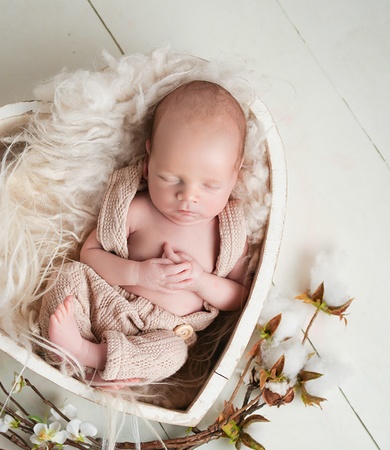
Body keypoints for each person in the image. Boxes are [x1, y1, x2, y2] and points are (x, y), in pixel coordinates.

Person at [39, 80, 250, 386]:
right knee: (68, 275)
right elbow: (90, 255)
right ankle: (70, 349)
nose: (188, 196)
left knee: (174, 354)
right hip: (107, 299)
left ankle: (90, 356)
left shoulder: (228, 233)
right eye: (170, 178)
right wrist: (138, 274)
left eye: (210, 185)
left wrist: (201, 281)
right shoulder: (137, 209)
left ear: (236, 173)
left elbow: (238, 296)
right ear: (149, 163)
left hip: (162, 332)